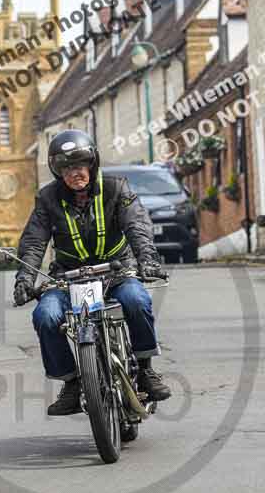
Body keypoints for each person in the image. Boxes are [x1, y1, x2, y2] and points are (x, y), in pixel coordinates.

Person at [13, 129, 172, 415]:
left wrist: (147, 259)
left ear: (92, 164)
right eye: (67, 167)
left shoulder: (116, 188)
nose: (76, 173)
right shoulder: (47, 199)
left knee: (137, 301)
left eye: (81, 165)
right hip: (67, 279)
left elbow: (137, 226)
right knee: (45, 316)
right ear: (58, 172)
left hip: (117, 272)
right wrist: (25, 280)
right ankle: (72, 382)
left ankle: (146, 369)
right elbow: (35, 241)